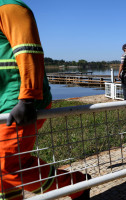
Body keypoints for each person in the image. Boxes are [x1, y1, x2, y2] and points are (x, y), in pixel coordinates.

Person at [0, 1, 90, 199]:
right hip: (4, 98)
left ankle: (76, 184)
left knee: (8, 164)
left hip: (17, 99)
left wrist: (27, 98)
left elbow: (28, 51)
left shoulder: (9, 8)